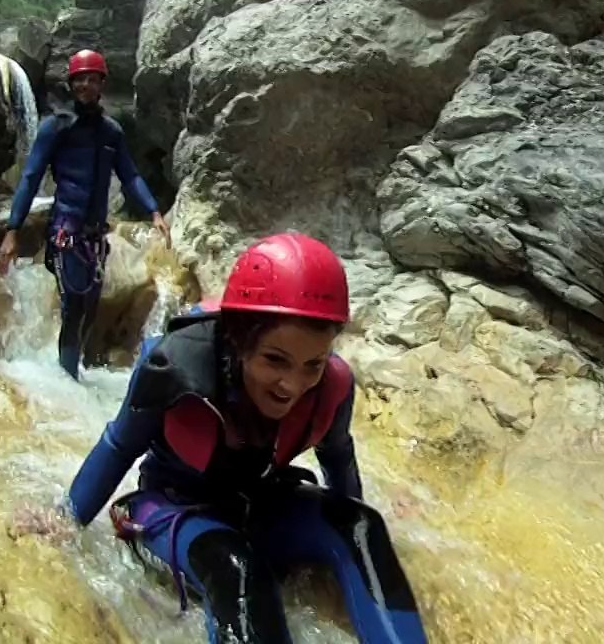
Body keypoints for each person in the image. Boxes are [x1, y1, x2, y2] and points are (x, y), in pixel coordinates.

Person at [66, 232, 429, 643]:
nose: (292, 386)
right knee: (237, 568)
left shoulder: (333, 385)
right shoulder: (172, 368)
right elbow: (119, 446)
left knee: (362, 525)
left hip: (259, 499)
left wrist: (351, 512)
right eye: (275, 360)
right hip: (172, 506)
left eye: (312, 364)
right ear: (238, 341)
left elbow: (338, 459)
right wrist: (65, 517)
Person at [0, 49, 170, 381]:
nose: (85, 85)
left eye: (92, 79)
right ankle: (68, 379)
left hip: (94, 234)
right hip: (65, 229)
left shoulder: (111, 133)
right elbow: (31, 176)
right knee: (73, 305)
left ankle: (73, 371)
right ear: (71, 84)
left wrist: (153, 211)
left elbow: (129, 175)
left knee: (90, 305)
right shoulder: (56, 128)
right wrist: (12, 230)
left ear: (102, 83)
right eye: (80, 79)